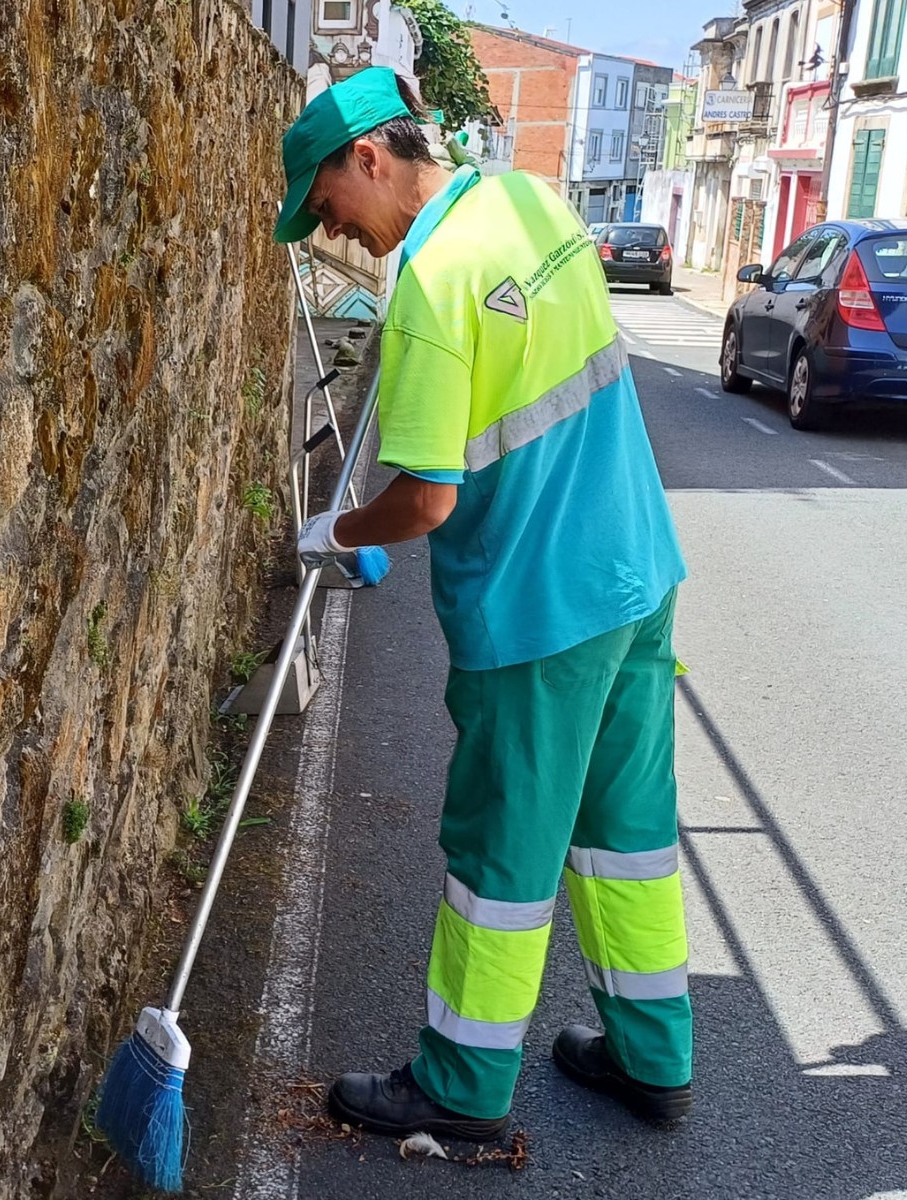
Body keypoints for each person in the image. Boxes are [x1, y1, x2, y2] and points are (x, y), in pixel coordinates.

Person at [274, 67, 694, 1140]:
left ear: (368, 157)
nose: (335, 232)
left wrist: (338, 531)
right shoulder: (529, 201)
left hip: (538, 610)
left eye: (328, 204)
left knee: (503, 850)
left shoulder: (430, 288)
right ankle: (653, 1057)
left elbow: (424, 499)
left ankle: (461, 1087)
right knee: (624, 831)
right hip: (634, 572)